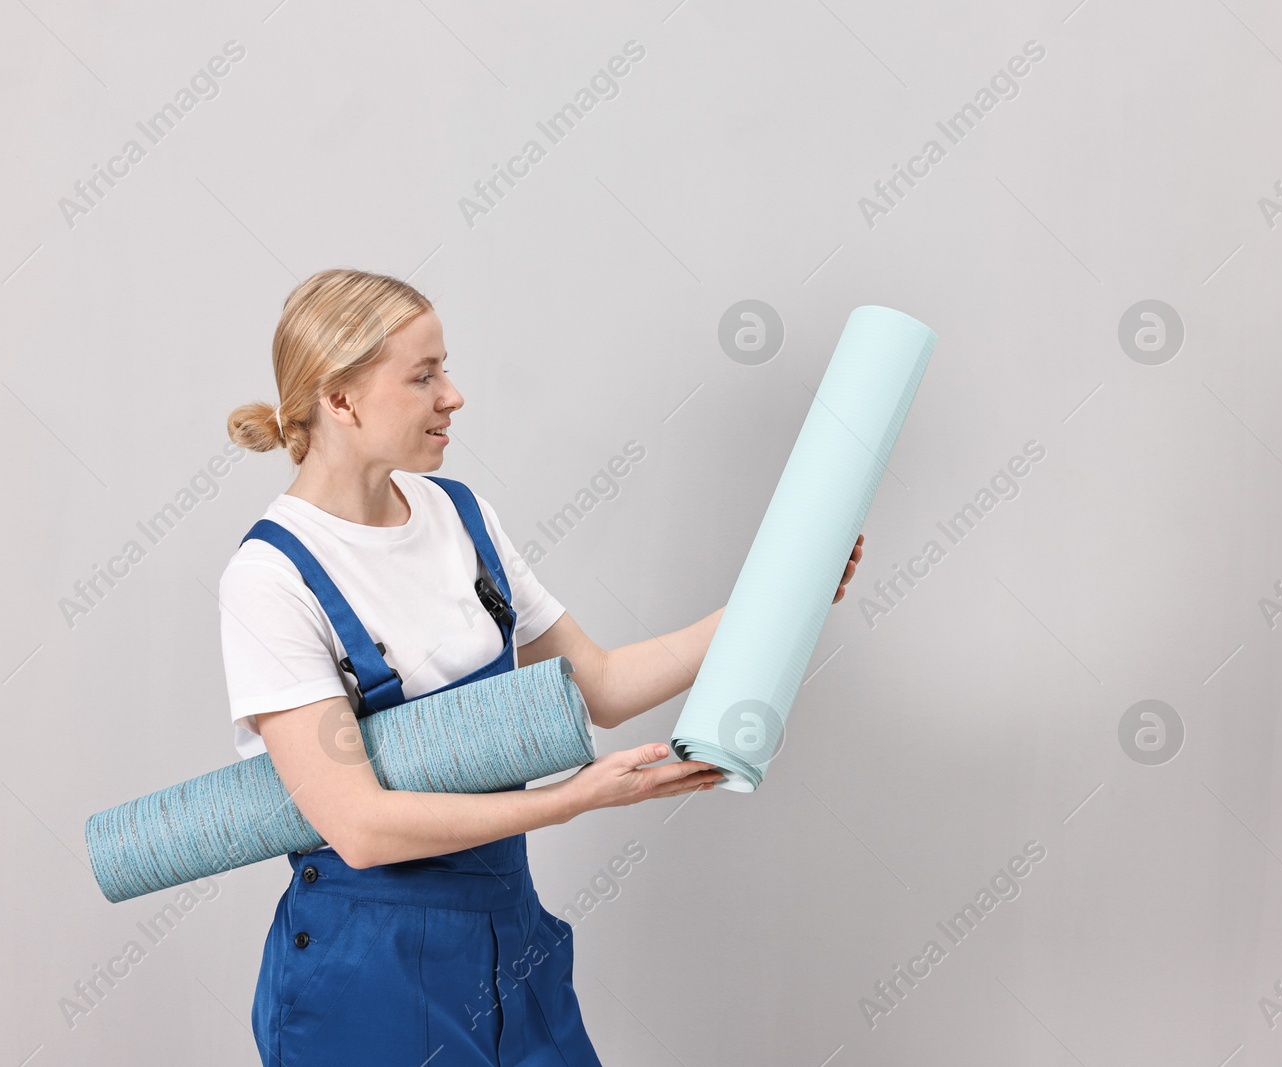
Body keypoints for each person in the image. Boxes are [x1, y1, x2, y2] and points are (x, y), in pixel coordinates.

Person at [219, 268, 862, 1066]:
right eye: (423, 376)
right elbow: (359, 825)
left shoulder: (461, 517)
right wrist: (573, 800)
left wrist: (779, 600)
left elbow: (603, 686)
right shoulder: (272, 576)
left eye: (444, 368)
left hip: (506, 932)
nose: (453, 395)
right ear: (340, 399)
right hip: (367, 971)